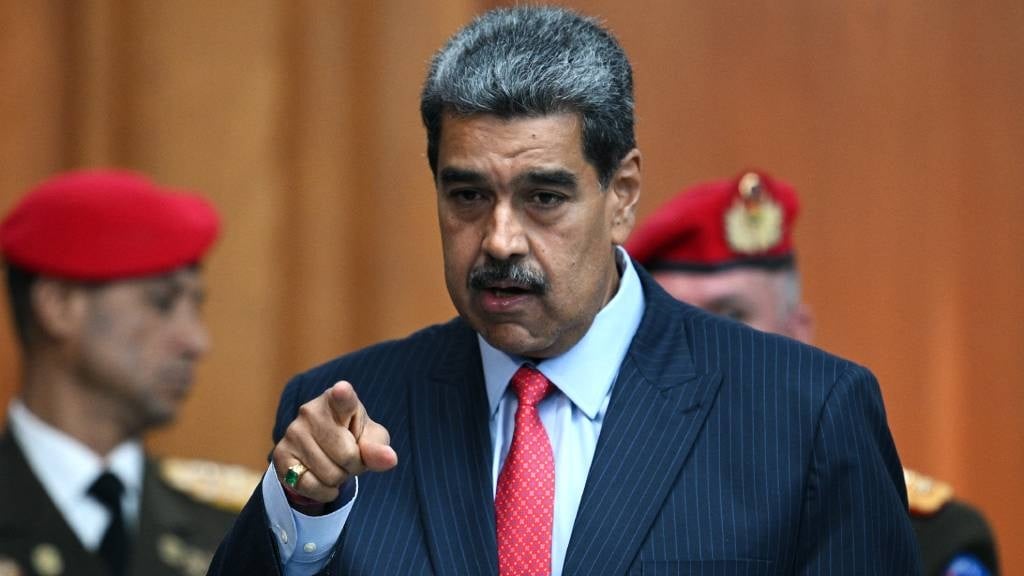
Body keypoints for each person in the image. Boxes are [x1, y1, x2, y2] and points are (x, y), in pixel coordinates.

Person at [209, 7, 920, 575]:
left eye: (544, 197)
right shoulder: (348, 416)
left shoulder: (804, 417)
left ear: (622, 195)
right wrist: (301, 511)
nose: (499, 239)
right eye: (467, 195)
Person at [626, 169, 999, 576]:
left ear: (797, 334)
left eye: (732, 317)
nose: (703, 347)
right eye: (677, 324)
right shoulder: (593, 514)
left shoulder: (930, 539)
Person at [0, 169, 260, 576]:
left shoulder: (230, 530)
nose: (196, 341)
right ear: (58, 306)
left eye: (196, 306)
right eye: (161, 303)